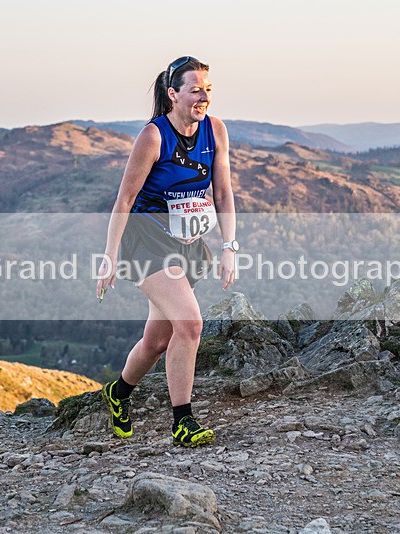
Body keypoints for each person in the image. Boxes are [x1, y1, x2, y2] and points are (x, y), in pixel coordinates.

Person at [95, 56, 238, 447]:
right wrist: (110, 255)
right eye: (195, 89)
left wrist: (229, 247)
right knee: (190, 324)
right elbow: (124, 198)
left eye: (208, 89)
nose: (203, 96)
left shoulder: (216, 131)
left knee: (157, 341)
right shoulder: (154, 136)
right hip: (145, 243)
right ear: (173, 94)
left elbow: (222, 193)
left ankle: (118, 393)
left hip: (186, 245)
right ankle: (183, 421)